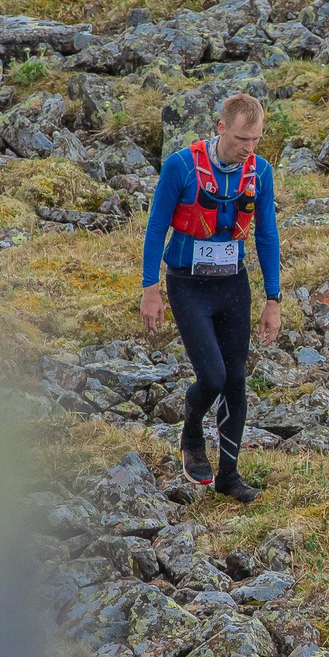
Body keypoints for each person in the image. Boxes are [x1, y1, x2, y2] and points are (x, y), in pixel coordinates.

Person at [139, 92, 285, 501]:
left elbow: (267, 234)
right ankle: (190, 436)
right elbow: (155, 229)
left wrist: (273, 299)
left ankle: (229, 477)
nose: (249, 149)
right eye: (242, 139)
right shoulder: (181, 167)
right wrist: (151, 289)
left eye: (256, 140)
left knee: (236, 380)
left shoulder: (261, 172)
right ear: (221, 128)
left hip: (232, 283)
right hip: (187, 284)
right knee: (213, 377)